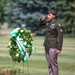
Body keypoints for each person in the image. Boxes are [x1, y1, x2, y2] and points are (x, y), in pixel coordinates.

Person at [38, 9, 63, 75]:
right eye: (48, 15)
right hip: (46, 45)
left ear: (54, 16)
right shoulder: (48, 23)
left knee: (53, 64)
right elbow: (39, 25)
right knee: (49, 63)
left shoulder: (57, 24)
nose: (48, 16)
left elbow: (60, 36)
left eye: (49, 15)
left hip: (53, 46)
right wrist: (42, 19)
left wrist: (59, 48)